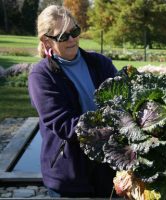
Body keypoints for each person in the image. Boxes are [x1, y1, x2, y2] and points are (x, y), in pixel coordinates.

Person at [28, 5, 117, 198]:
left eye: (75, 31)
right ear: (46, 40)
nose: (72, 39)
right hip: (69, 172)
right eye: (63, 36)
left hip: (107, 168)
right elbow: (64, 124)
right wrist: (113, 126)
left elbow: (126, 99)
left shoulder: (100, 63)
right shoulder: (42, 75)